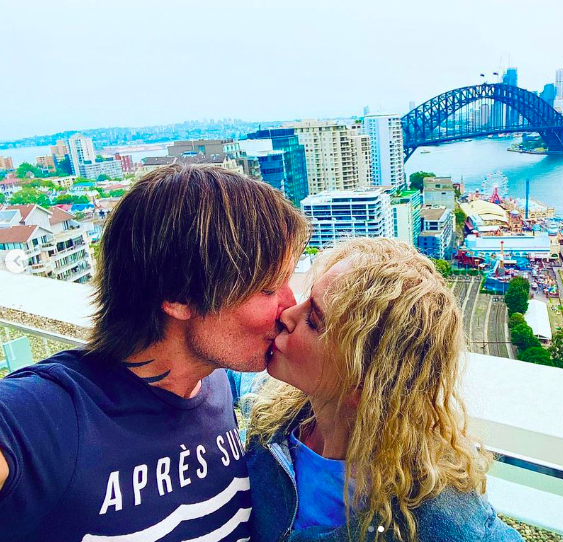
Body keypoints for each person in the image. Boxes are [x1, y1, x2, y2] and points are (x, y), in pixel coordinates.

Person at [0, 164, 309, 541]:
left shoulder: (216, 384)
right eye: (267, 288)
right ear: (179, 296)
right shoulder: (50, 414)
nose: (290, 306)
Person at [244, 238, 523, 542]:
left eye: (313, 320)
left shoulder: (437, 517)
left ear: (362, 384)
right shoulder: (275, 414)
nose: (286, 314)